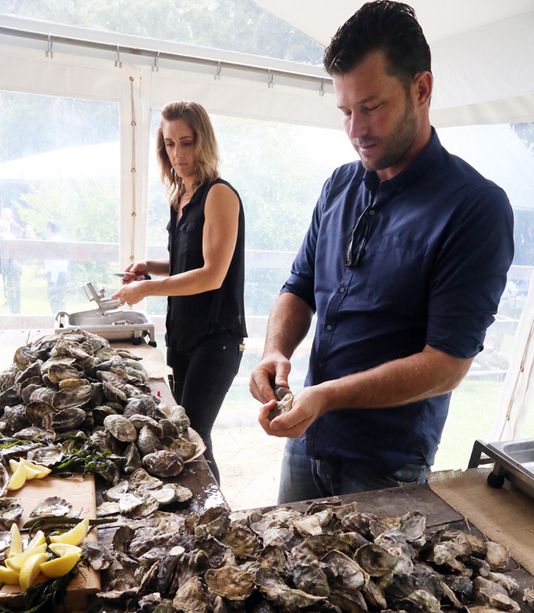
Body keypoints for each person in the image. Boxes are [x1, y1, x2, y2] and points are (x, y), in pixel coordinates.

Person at [249, 0, 514, 504]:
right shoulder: (338, 185)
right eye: (345, 111)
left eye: (371, 107)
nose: (355, 129)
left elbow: (447, 363)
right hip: (309, 440)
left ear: (422, 88)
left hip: (386, 464)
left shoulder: (476, 208)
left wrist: (327, 396)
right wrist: (275, 350)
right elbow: (297, 288)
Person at [112, 101, 247, 483]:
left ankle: (214, 523)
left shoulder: (219, 194)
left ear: (203, 142)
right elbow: (189, 265)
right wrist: (149, 268)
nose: (178, 154)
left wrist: (148, 289)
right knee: (188, 436)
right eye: (170, 145)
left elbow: (212, 275)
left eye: (186, 143)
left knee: (190, 439)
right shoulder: (181, 198)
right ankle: (210, 523)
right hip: (184, 336)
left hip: (217, 339)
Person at [43, 220, 68, 314]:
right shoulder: (60, 240)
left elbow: (56, 263)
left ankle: (60, 323)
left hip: (57, 276)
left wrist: (53, 279)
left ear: (49, 229)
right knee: (58, 300)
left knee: (56, 301)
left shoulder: (54, 242)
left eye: (45, 228)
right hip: (59, 274)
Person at [0, 207, 22, 314]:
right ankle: (13, 306)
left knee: (13, 286)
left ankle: (15, 308)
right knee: (10, 286)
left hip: (12, 263)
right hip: (10, 264)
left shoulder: (14, 229)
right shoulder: (9, 234)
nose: (3, 216)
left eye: (5, 215)